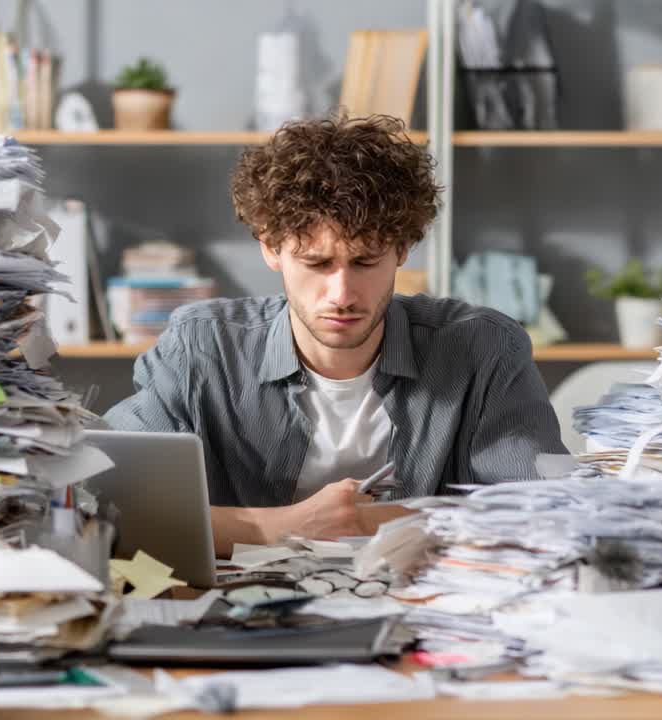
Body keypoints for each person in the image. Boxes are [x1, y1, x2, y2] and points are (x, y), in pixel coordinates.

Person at [105, 115, 566, 555]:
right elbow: (112, 503)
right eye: (317, 264)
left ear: (403, 249)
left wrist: (371, 521)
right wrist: (289, 526)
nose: (342, 293)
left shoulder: (483, 349)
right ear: (271, 247)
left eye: (365, 262)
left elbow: (543, 512)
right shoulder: (201, 349)